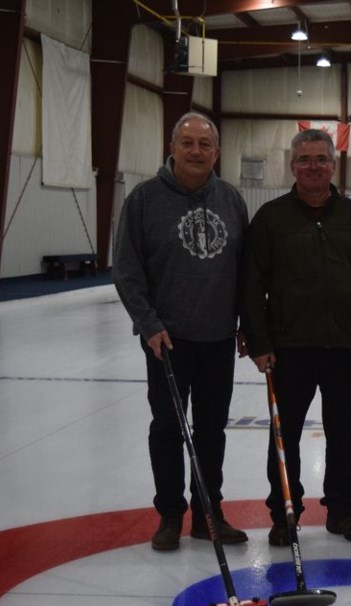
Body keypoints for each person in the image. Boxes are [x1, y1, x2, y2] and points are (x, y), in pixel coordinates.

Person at [241, 129, 351, 544]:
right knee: (284, 437)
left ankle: (342, 511)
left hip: (343, 346)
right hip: (289, 349)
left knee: (343, 434)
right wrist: (260, 342)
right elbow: (252, 285)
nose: (313, 166)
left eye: (321, 159)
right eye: (305, 159)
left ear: (333, 165)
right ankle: (285, 512)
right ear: (292, 166)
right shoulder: (271, 218)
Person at [113, 112, 249, 551]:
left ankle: (209, 514)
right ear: (172, 147)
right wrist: (149, 325)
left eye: (204, 144)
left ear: (217, 153)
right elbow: (128, 270)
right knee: (169, 429)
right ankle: (170, 516)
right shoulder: (144, 199)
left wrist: (247, 323)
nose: (195, 151)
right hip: (166, 342)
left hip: (217, 338)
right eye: (187, 143)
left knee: (211, 431)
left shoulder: (231, 199)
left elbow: (246, 271)